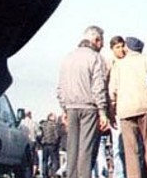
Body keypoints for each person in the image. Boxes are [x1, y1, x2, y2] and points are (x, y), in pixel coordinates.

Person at [57, 26, 111, 178]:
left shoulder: (68, 57)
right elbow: (98, 86)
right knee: (86, 150)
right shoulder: (96, 58)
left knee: (72, 149)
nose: (102, 46)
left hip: (70, 107)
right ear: (96, 40)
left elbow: (60, 87)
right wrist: (102, 111)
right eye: (101, 42)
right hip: (89, 108)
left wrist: (63, 108)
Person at [110, 36, 147, 178]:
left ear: (127, 47)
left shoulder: (119, 65)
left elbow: (112, 91)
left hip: (126, 110)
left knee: (131, 151)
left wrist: (112, 109)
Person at [107, 36, 129, 178]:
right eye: (117, 47)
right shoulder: (110, 65)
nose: (121, 50)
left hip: (127, 106)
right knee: (117, 147)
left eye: (122, 46)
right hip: (116, 110)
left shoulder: (128, 63)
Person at [41, 113, 64, 177]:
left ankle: (44, 174)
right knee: (54, 160)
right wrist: (57, 142)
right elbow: (57, 135)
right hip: (52, 144)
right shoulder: (54, 125)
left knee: (44, 160)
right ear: (51, 117)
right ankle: (54, 174)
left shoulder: (43, 124)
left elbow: (40, 134)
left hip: (44, 145)